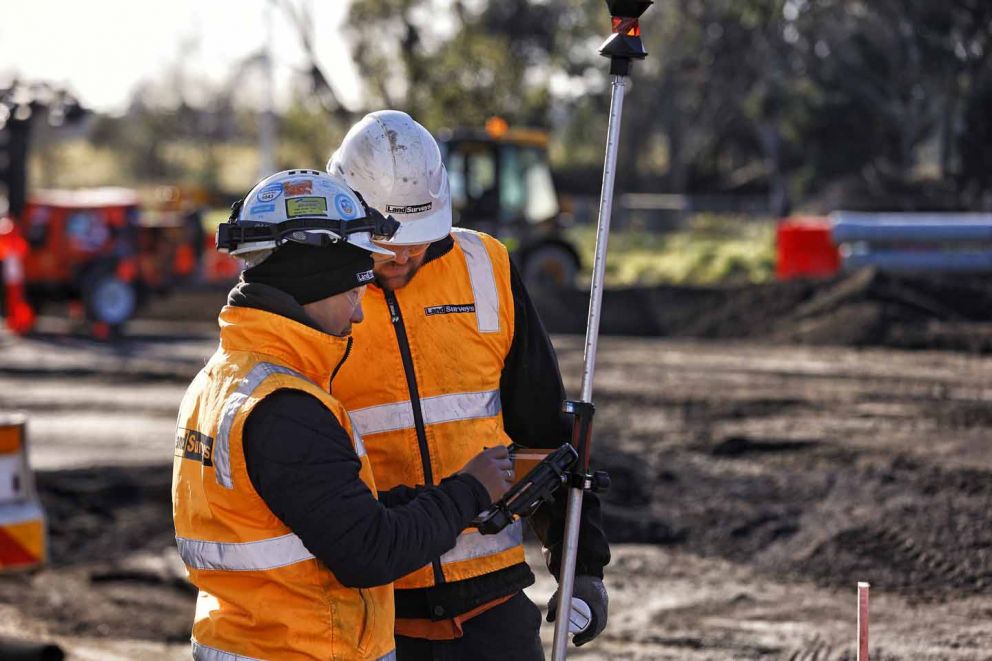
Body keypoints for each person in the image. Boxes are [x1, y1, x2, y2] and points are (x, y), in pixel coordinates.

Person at [172, 169, 516, 661]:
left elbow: (322, 512)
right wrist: (470, 491)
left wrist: (428, 496)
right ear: (314, 282)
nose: (358, 314)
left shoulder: (223, 381)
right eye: (355, 292)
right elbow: (369, 552)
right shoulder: (285, 409)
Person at [327, 112, 611, 659]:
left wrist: (583, 563)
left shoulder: (488, 267)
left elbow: (546, 431)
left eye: (417, 238)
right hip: (370, 605)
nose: (405, 254)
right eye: (386, 242)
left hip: (492, 604)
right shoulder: (318, 296)